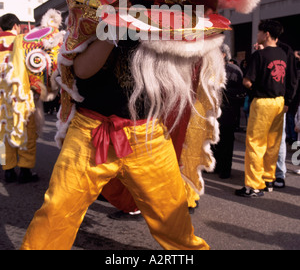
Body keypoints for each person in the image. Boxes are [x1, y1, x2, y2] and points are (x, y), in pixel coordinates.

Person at [20, 38, 209, 250]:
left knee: (173, 219)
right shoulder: (91, 12)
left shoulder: (164, 14)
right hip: (90, 132)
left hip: (147, 137)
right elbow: (81, 71)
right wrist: (113, 28)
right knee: (58, 209)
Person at [235, 20, 288, 198]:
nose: (257, 35)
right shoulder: (283, 53)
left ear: (266, 34)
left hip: (263, 101)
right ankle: (268, 179)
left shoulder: (259, 55)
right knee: (273, 143)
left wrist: (254, 87)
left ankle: (254, 185)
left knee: (255, 143)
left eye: (259, 32)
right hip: (279, 102)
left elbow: (247, 81)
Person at [0, 14, 38, 184]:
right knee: (25, 131)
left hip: (1, 99)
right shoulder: (23, 41)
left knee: (3, 134)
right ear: (16, 26)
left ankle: (8, 171)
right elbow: (34, 65)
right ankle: (25, 170)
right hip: (20, 95)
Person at [213, 44, 245, 178]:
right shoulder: (213, 69)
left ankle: (225, 169)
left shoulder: (235, 70)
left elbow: (242, 92)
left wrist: (224, 92)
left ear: (223, 55)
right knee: (215, 139)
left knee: (226, 140)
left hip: (229, 111)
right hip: (215, 110)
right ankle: (216, 166)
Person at [274, 41, 298, 189]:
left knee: (279, 138)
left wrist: (288, 100)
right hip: (263, 101)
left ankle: (279, 174)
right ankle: (268, 174)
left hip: (280, 101)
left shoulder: (285, 50)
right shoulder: (261, 50)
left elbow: (292, 78)